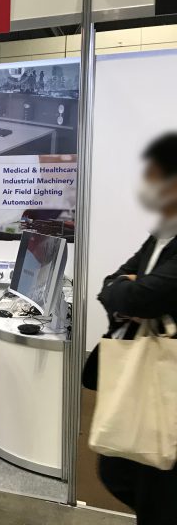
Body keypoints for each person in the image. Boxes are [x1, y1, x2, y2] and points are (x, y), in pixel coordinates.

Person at [95, 132, 177, 525]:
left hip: (167, 375)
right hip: (146, 370)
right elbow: (111, 285)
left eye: (154, 175)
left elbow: (145, 295)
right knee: (119, 471)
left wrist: (131, 291)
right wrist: (126, 290)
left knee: (159, 483)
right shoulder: (162, 232)